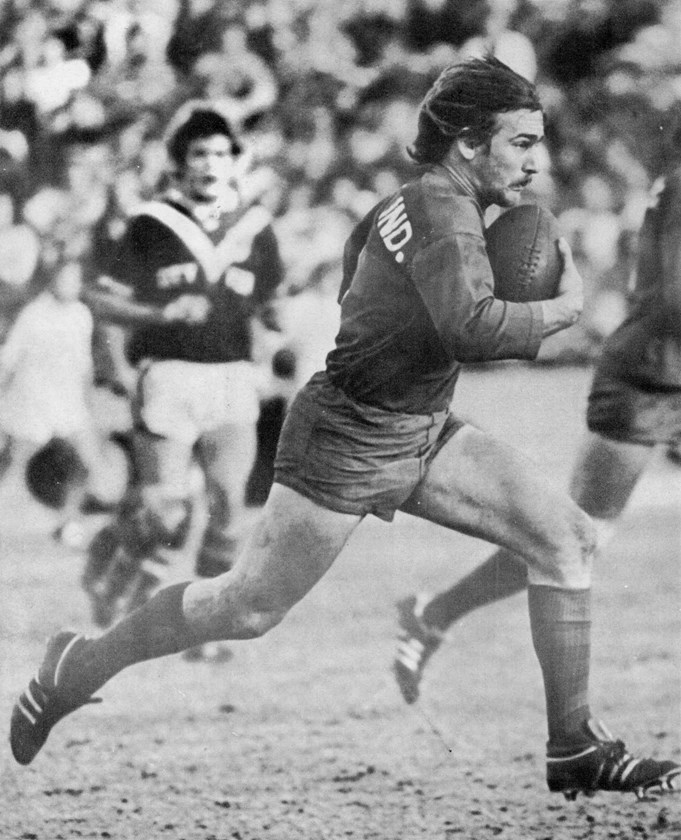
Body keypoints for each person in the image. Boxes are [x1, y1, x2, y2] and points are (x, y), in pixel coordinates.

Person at [10, 58, 679, 801]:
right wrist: (557, 311)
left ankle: (573, 744)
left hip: (417, 423)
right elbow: (472, 330)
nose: (535, 162)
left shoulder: (415, 199)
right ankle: (80, 663)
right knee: (246, 607)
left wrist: (395, 327)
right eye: (520, 143)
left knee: (565, 536)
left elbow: (357, 260)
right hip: (348, 435)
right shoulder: (443, 212)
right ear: (466, 142)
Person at [393, 106, 681, 726]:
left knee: (572, 539)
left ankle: (434, 614)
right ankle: (436, 614)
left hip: (658, 364)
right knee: (576, 537)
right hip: (654, 374)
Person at [76, 103, 284, 624]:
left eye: (220, 154)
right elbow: (100, 297)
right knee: (164, 512)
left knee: (229, 505)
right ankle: (110, 555)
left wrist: (271, 334)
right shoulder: (152, 224)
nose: (210, 164)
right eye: (199, 154)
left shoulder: (255, 226)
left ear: (234, 162)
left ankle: (209, 623)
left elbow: (269, 303)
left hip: (233, 377)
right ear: (178, 163)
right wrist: (159, 313)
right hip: (169, 375)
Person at [0, 260, 111, 545]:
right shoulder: (33, 314)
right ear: (52, 280)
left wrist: (89, 405)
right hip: (31, 403)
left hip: (68, 404)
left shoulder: (82, 315)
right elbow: (8, 360)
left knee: (84, 462)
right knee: (10, 464)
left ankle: (68, 521)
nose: (70, 285)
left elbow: (85, 366)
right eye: (65, 279)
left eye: (76, 280)